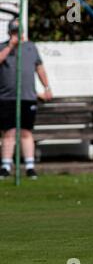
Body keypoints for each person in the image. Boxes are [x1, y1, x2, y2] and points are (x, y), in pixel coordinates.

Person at [0, 18, 52, 180]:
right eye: (13, 32)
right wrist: (10, 47)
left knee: (26, 132)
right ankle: (6, 165)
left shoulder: (30, 48)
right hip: (7, 97)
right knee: (8, 132)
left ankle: (30, 166)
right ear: (9, 33)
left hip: (27, 97)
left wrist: (47, 87)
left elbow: (40, 68)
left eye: (18, 32)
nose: (16, 35)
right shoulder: (3, 47)